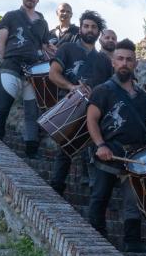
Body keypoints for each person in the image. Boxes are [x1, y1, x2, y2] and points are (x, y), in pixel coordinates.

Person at [85, 39, 146, 242]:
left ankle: (132, 242)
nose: (124, 63)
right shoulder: (102, 90)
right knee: (100, 196)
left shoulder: (144, 97)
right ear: (113, 62)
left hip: (134, 156)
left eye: (129, 60)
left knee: (134, 201)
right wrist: (101, 145)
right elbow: (91, 119)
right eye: (120, 59)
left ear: (135, 64)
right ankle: (96, 238)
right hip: (109, 153)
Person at [47, 10, 113, 196]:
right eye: (86, 26)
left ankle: (92, 192)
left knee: (94, 150)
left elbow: (109, 88)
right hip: (69, 104)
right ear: (80, 28)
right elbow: (53, 73)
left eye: (93, 27)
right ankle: (57, 187)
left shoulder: (105, 61)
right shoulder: (67, 48)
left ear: (99, 33)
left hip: (95, 110)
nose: (89, 30)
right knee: (65, 148)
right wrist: (71, 86)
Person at [0, 0, 54, 158]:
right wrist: (2, 59)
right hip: (11, 64)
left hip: (33, 71)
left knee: (31, 112)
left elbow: (44, 46)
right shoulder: (11, 16)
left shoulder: (42, 23)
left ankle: (31, 150)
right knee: (2, 107)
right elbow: (1, 39)